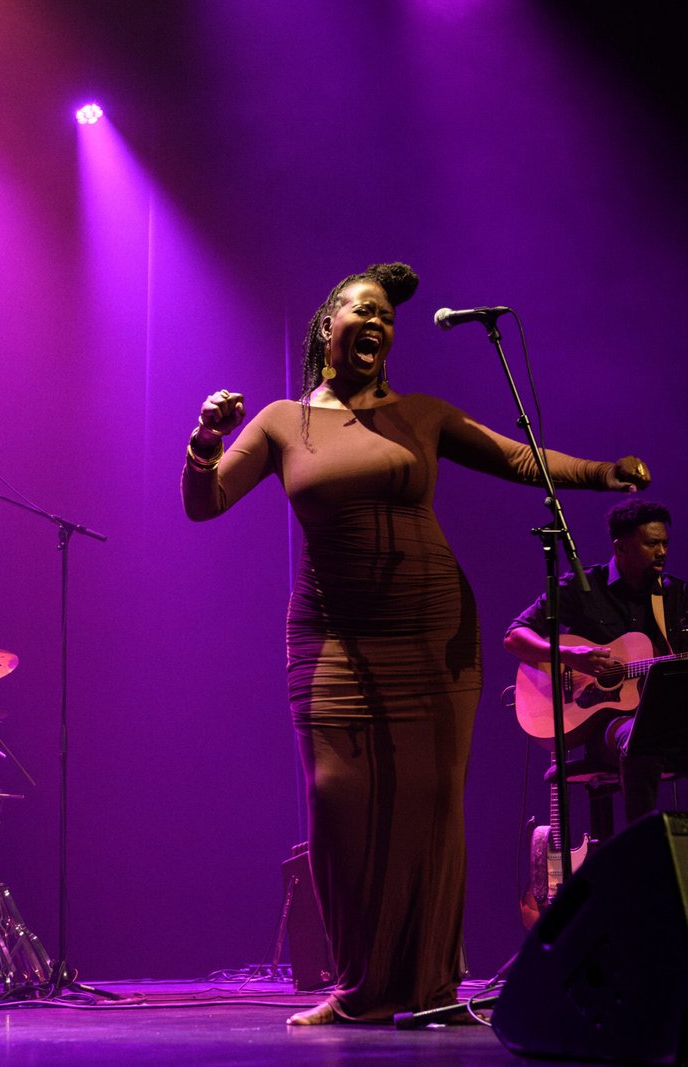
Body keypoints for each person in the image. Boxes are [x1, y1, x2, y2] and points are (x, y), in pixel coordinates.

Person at [182, 262, 650, 1025]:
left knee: (432, 806)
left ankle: (431, 987)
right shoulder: (281, 422)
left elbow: (518, 457)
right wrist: (206, 440)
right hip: (332, 636)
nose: (377, 322)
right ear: (328, 325)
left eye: (387, 316)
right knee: (336, 803)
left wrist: (603, 474)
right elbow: (205, 503)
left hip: (434, 631)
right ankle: (360, 986)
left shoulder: (422, 415)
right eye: (362, 310)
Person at [503, 499, 688, 824]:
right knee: (641, 738)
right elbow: (514, 636)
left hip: (672, 720)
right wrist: (569, 655)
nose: (662, 552)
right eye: (652, 544)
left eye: (665, 543)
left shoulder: (677, 594)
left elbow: (685, 666)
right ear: (621, 547)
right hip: (608, 725)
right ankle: (641, 840)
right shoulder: (582, 587)